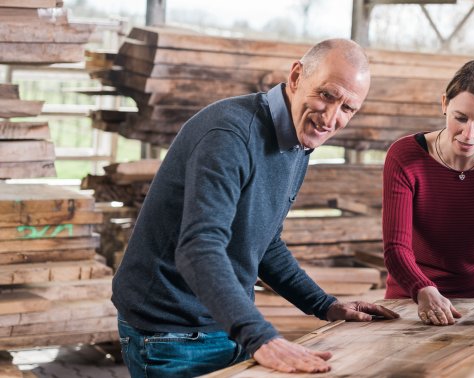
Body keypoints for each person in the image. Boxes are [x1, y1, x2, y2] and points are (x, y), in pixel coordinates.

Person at [112, 39, 399, 377]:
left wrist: (325, 305)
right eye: (326, 95)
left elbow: (262, 242)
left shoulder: (296, 141)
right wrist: (260, 337)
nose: (331, 118)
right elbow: (198, 249)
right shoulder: (230, 135)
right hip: (171, 334)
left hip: (223, 324)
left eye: (348, 108)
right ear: (296, 77)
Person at [382, 60, 474, 326]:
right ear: (445, 103)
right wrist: (423, 289)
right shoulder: (404, 156)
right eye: (460, 118)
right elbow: (395, 248)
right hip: (413, 294)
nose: (468, 134)